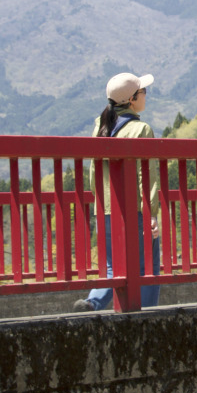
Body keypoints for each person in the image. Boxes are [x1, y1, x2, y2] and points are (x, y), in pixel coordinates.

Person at [72, 72, 162, 311]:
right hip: (135, 209)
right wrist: (152, 212)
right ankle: (148, 315)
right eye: (143, 92)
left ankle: (92, 303)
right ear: (132, 99)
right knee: (147, 268)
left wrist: (100, 203)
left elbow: (94, 172)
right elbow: (148, 176)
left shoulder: (100, 126)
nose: (146, 96)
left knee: (114, 265)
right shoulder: (141, 129)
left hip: (107, 209)